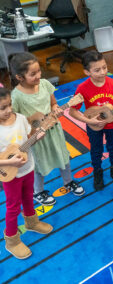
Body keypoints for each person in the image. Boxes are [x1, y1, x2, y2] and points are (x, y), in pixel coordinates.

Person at [9, 52, 84, 205]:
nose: (38, 75)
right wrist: (31, 129)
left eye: (39, 71)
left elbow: (53, 103)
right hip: (34, 137)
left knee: (63, 155)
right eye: (33, 74)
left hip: (54, 129)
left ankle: (68, 181)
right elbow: (14, 120)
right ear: (19, 77)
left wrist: (56, 108)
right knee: (38, 164)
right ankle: (38, 192)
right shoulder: (16, 96)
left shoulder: (44, 84)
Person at [0, 87, 53, 259]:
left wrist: (39, 135)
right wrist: (10, 162)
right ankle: (12, 241)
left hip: (27, 168)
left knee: (29, 196)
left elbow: (28, 137)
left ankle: (32, 222)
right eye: (2, 108)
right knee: (13, 207)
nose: (8, 110)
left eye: (9, 105)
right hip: (10, 175)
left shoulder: (21, 119)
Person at [69, 50, 113, 191]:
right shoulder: (82, 88)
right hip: (94, 125)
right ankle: (97, 172)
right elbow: (72, 111)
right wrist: (89, 121)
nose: (102, 72)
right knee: (96, 150)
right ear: (86, 72)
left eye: (105, 67)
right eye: (97, 70)